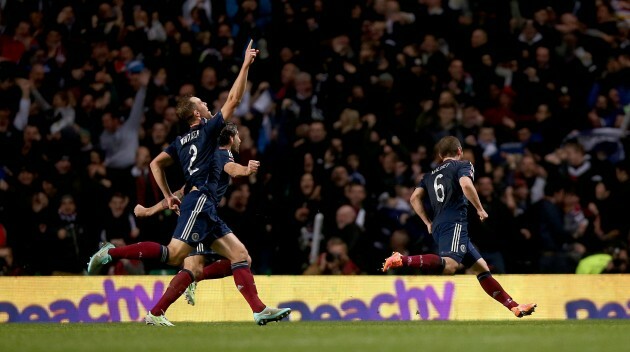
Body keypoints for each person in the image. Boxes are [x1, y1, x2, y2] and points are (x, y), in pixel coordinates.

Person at [87, 40, 290, 325]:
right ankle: (112, 253)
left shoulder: (180, 142)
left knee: (239, 254)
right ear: (196, 114)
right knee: (174, 255)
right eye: (202, 103)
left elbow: (155, 164)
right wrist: (245, 65)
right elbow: (233, 101)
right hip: (200, 202)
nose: (207, 105)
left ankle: (256, 309)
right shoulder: (208, 133)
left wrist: (167, 197)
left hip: (202, 205)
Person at [382, 136, 536, 318]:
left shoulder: (429, 175)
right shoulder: (463, 165)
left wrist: (427, 222)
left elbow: (414, 198)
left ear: (440, 155)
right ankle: (403, 259)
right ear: (460, 151)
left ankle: (515, 307)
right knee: (450, 266)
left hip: (440, 225)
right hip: (454, 223)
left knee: (481, 268)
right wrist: (480, 208)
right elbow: (465, 184)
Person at [135, 123, 267, 323]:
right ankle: (155, 310)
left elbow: (180, 193)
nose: (240, 139)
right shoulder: (222, 154)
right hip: (198, 217)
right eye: (238, 135)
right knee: (189, 263)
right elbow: (233, 169)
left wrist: (149, 210)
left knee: (230, 261)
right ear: (231, 138)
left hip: (202, 215)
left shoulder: (203, 162)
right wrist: (247, 171)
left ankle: (157, 312)